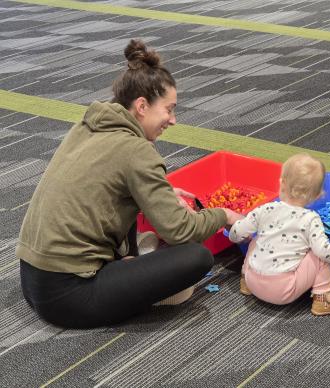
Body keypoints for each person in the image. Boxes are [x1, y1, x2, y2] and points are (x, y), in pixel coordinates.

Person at [16, 39, 242, 329]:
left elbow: (99, 180)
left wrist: (160, 192)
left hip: (32, 279)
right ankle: (136, 282)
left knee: (142, 222)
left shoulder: (90, 124)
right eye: (169, 110)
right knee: (196, 258)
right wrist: (224, 214)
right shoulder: (137, 151)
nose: (173, 120)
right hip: (68, 297)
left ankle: (128, 269)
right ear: (142, 106)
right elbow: (180, 230)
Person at [228, 153, 330, 316]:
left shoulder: (265, 209)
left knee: (256, 239)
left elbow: (238, 232)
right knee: (319, 254)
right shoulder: (310, 219)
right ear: (319, 195)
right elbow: (324, 251)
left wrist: (236, 237)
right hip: (283, 291)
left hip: (253, 280)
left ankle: (245, 283)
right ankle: (324, 301)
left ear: (281, 183)